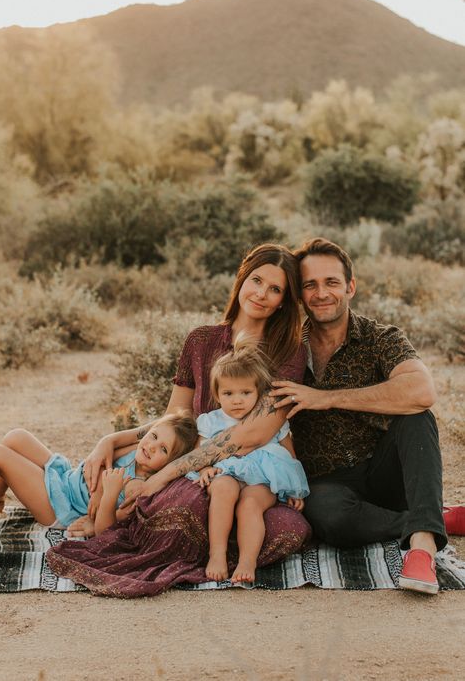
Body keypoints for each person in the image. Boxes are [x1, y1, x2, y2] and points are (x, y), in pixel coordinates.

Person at [46, 243, 311, 597]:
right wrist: (110, 441)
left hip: (258, 473)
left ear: (284, 300)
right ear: (242, 278)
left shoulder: (289, 351)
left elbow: (256, 433)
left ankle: (227, 553)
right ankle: (200, 550)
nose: (262, 294)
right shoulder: (201, 340)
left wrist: (163, 477)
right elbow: (178, 417)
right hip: (199, 469)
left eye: (275, 289)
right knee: (185, 505)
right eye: (257, 280)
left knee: (286, 527)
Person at [270, 237, 448, 595]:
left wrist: (327, 399)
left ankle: (423, 549)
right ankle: (430, 518)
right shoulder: (286, 348)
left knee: (417, 417)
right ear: (300, 295)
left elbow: (421, 390)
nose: (322, 293)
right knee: (326, 517)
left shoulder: (381, 338)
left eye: (331, 282)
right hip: (327, 485)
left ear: (350, 286)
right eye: (310, 285)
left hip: (384, 471)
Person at [186, 336, 309, 583]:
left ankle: (247, 561)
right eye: (228, 393)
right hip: (226, 474)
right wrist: (205, 469)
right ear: (217, 394)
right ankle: (217, 554)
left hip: (263, 479)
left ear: (258, 392)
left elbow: (289, 455)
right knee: (222, 489)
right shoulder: (211, 421)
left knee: (249, 505)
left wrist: (294, 488)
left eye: (245, 392)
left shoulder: (270, 420)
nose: (237, 400)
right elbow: (199, 453)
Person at [0, 413, 197, 532]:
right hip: (67, 479)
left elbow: (107, 528)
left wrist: (105, 498)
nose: (152, 446)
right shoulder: (136, 451)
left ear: (169, 463)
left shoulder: (136, 486)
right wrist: (98, 489)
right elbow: (104, 458)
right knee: (15, 437)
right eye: (153, 436)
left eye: (163, 449)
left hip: (60, 506)